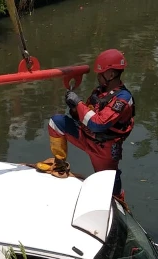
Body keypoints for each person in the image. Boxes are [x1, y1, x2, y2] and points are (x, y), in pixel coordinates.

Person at [36, 49, 135, 201]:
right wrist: (74, 108)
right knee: (56, 123)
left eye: (100, 73)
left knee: (109, 186)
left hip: (105, 148)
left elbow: (98, 124)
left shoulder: (123, 99)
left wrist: (78, 102)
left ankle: (119, 204)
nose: (97, 76)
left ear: (110, 74)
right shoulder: (99, 92)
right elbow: (86, 115)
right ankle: (60, 163)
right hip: (86, 135)